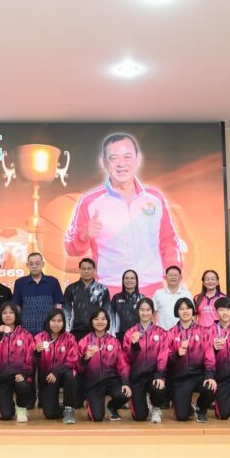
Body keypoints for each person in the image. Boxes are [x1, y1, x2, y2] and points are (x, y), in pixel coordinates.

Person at [64, 133, 183, 296]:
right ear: (104, 162)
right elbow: (71, 248)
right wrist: (84, 234)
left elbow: (169, 242)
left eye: (127, 157)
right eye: (114, 158)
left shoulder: (155, 199)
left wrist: (173, 273)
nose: (121, 164)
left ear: (138, 159)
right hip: (109, 291)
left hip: (153, 291)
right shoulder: (89, 201)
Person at [166, 298, 216, 422]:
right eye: (181, 309)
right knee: (182, 417)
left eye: (188, 308)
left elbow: (209, 356)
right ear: (177, 312)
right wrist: (177, 354)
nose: (185, 311)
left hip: (199, 375)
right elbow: (166, 360)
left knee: (210, 387)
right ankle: (188, 408)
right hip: (180, 378)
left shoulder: (203, 331)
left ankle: (201, 408)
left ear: (193, 310)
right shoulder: (171, 333)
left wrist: (209, 376)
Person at [78, 308, 131, 422]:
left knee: (125, 394)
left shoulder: (114, 342)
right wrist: (86, 358)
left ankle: (112, 407)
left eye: (103, 319)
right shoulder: (83, 342)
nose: (100, 322)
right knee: (97, 418)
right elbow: (78, 369)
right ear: (91, 321)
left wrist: (126, 383)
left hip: (112, 381)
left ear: (107, 321)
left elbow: (123, 364)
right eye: (96, 319)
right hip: (93, 383)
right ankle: (90, 401)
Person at [121, 298, 168, 422]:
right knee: (139, 417)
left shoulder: (161, 333)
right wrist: (134, 345)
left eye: (148, 310)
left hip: (153, 375)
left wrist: (159, 375)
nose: (145, 313)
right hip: (136, 377)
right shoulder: (130, 333)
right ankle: (145, 404)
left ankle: (156, 407)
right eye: (142, 310)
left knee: (158, 387)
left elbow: (163, 355)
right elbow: (126, 359)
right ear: (138, 311)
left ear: (153, 312)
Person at [0, 301, 36, 422]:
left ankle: (21, 407)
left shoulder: (26, 335)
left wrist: (23, 374)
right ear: (1, 316)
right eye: (4, 313)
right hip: (2, 378)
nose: (8, 315)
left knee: (23, 385)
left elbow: (31, 358)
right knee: (5, 416)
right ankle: (9, 406)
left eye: (11, 312)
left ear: (16, 315)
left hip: (20, 376)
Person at [34, 308, 79, 424]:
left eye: (59, 321)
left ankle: (69, 409)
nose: (56, 324)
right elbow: (31, 362)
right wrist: (36, 353)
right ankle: (60, 408)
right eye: (53, 320)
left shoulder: (70, 338)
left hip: (63, 374)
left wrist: (57, 372)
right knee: (50, 414)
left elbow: (73, 360)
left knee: (71, 375)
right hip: (48, 378)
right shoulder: (39, 338)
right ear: (48, 322)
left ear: (64, 322)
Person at [11, 252, 63, 335]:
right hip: (26, 330)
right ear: (27, 265)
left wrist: (57, 326)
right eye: (31, 264)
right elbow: (17, 307)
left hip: (48, 329)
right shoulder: (20, 283)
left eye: (37, 263)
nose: (34, 266)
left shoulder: (53, 281)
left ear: (43, 264)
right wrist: (16, 327)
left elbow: (58, 306)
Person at [64, 258, 111, 341]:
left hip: (97, 331)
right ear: (79, 270)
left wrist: (106, 330)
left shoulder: (102, 289)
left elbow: (107, 312)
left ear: (94, 270)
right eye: (84, 269)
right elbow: (66, 311)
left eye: (89, 269)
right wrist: (67, 330)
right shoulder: (71, 288)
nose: (86, 271)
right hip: (76, 331)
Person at [153, 266, 190, 330]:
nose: (173, 277)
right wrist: (154, 329)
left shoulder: (186, 294)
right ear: (165, 277)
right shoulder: (158, 294)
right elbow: (152, 313)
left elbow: (191, 314)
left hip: (183, 332)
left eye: (176, 275)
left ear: (180, 278)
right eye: (170, 275)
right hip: (163, 332)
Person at [111, 269, 144, 339]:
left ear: (136, 281)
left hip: (138, 335)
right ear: (123, 281)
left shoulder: (142, 298)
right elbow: (111, 318)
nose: (129, 280)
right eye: (126, 278)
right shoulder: (116, 297)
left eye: (132, 278)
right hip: (120, 335)